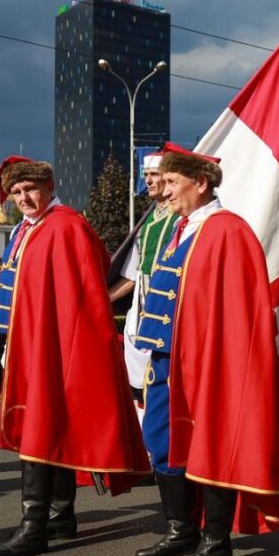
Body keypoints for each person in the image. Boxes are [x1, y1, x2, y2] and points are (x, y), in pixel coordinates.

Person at [132, 142, 279, 556]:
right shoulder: (179, 228)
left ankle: (215, 539)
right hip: (168, 359)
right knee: (162, 440)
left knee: (212, 441)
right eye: (164, 182)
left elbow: (238, 311)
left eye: (172, 182)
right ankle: (179, 529)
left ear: (201, 182)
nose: (164, 191)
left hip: (207, 362)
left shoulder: (228, 229)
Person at [0, 156, 151, 556]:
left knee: (39, 430)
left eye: (30, 189)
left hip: (56, 350)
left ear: (48, 185)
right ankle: (61, 515)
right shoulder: (29, 229)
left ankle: (34, 526)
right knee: (43, 426)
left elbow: (83, 299)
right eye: (16, 192)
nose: (23, 198)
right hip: (31, 346)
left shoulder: (67, 227)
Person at [107, 149, 177, 420]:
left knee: (161, 380)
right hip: (141, 305)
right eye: (145, 175)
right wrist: (100, 299)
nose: (148, 181)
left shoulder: (179, 218)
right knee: (136, 382)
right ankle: (144, 448)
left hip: (166, 304)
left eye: (154, 175)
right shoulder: (147, 222)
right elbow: (132, 274)